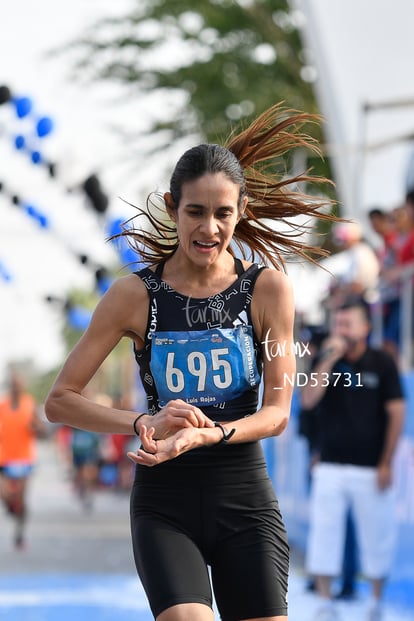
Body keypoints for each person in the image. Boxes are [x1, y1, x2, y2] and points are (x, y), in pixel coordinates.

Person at [45, 104, 334, 621]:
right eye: (195, 212)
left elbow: (278, 413)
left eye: (223, 213)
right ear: (172, 207)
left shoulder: (267, 290)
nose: (209, 228)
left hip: (245, 500)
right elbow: (60, 401)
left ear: (241, 209)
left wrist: (210, 434)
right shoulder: (134, 296)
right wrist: (143, 421)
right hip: (165, 503)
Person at [301, 297, 405, 621]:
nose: (342, 330)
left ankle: (375, 601)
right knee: (324, 536)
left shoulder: (382, 363)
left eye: (348, 323)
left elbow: (397, 413)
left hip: (371, 468)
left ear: (366, 327)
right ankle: (324, 602)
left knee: (377, 537)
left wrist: (386, 461)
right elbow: (307, 400)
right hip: (330, 465)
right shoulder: (325, 360)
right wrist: (328, 360)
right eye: (339, 323)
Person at [0, 370, 45, 549]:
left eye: (19, 384)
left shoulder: (29, 404)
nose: (16, 387)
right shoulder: (3, 405)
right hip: (4, 459)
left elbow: (42, 431)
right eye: (14, 384)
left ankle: (19, 534)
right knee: (5, 494)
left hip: (25, 460)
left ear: (23, 386)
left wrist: (36, 427)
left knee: (22, 498)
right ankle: (11, 506)